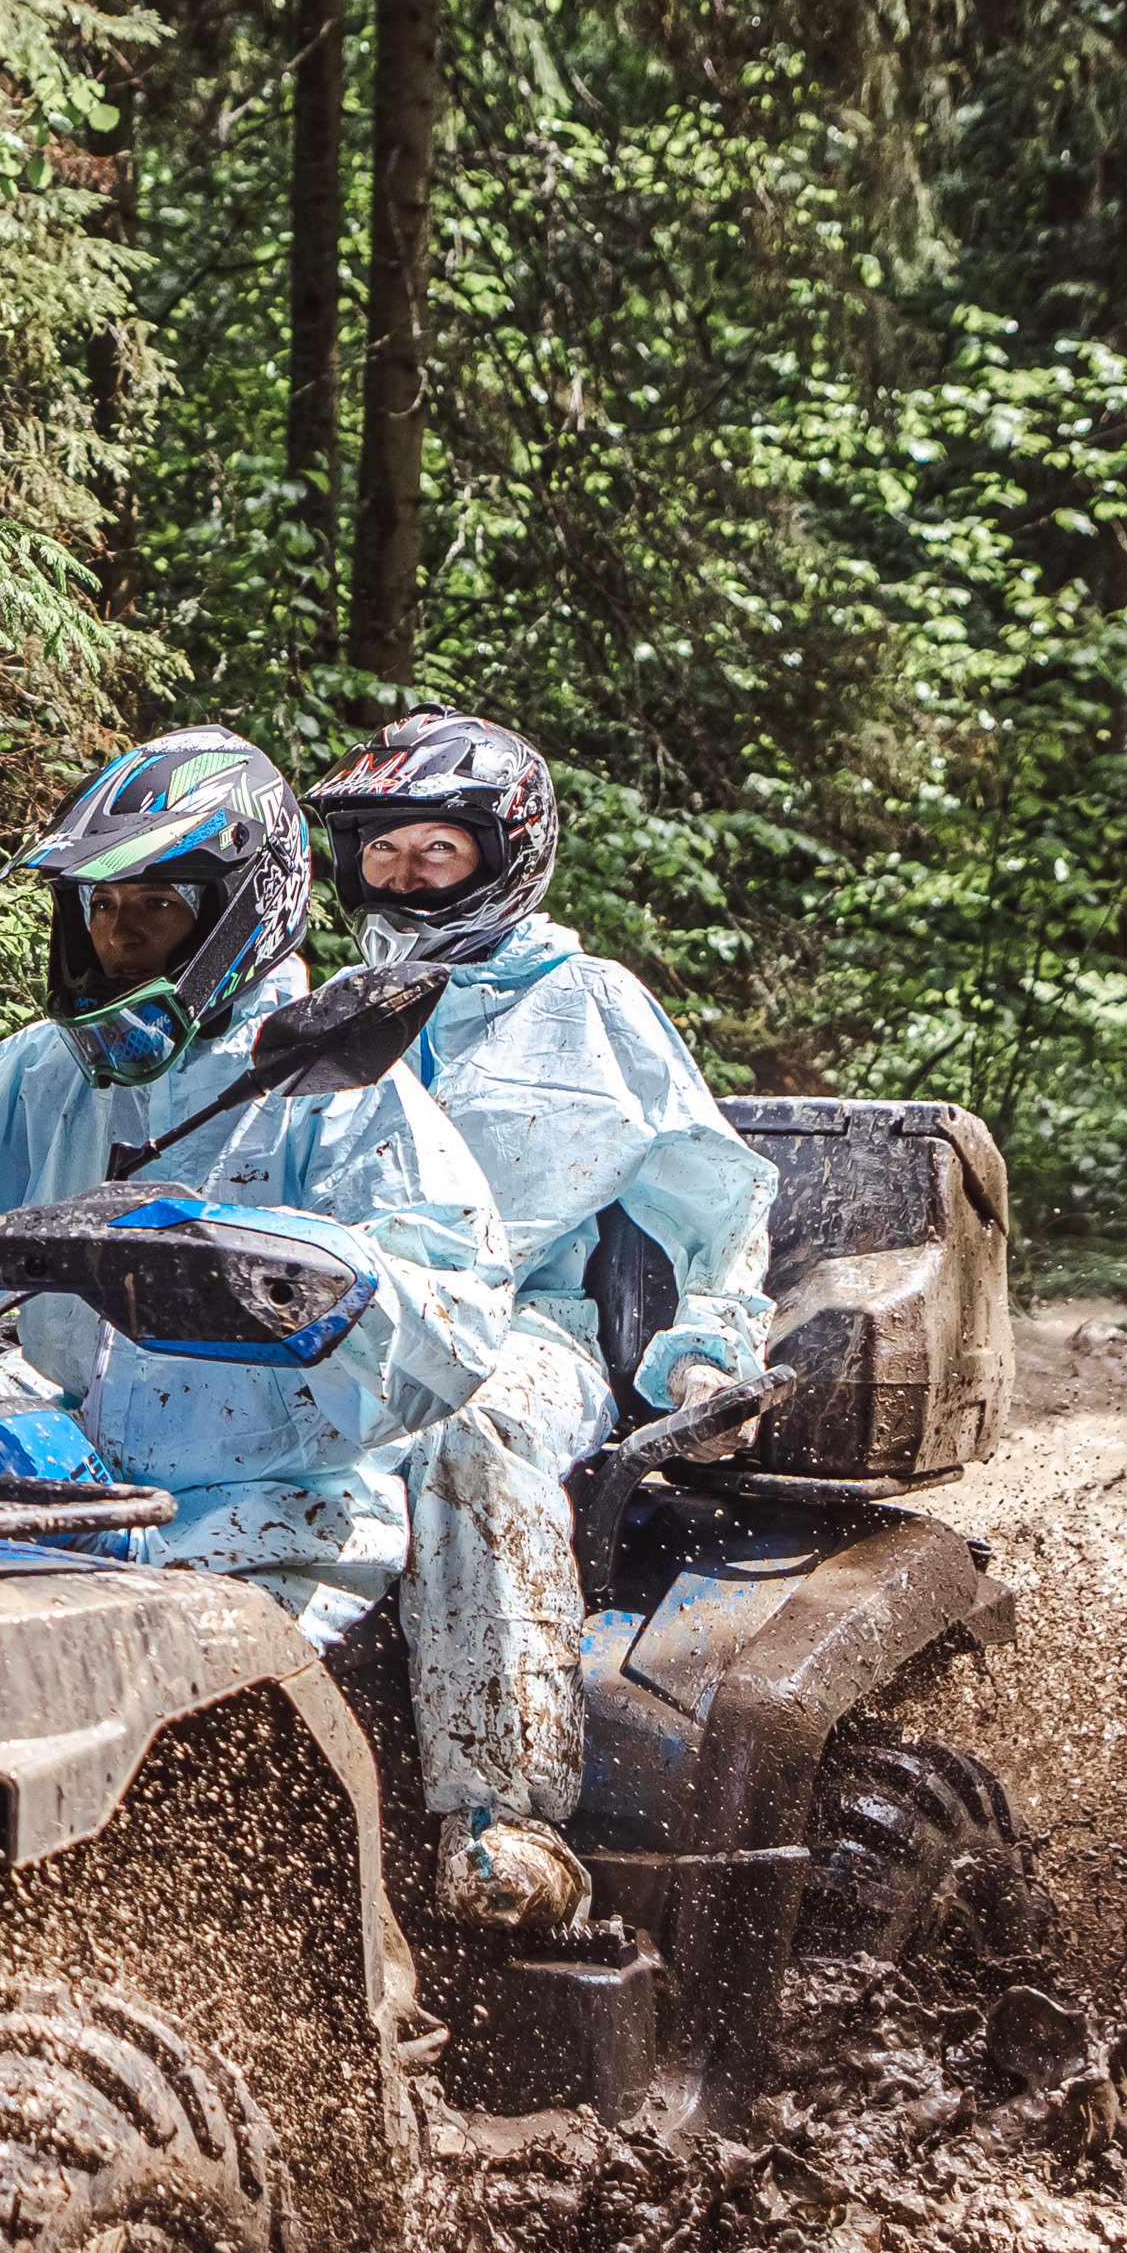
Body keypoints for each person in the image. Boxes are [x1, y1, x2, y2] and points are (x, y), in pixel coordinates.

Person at [0, 728, 512, 1643]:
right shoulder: (55, 1072)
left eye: (158, 901)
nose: (119, 933)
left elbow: (459, 1309)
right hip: (68, 1479)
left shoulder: (330, 1079)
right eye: (102, 903)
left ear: (242, 905)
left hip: (270, 1530)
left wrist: (290, 1279)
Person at [302, 710, 776, 1928]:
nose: (402, 877)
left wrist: (707, 1354)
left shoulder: (588, 1001)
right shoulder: (330, 1001)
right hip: (336, 1327)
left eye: (434, 852)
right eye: (381, 853)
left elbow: (714, 1198)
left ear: (501, 852)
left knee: (468, 1432)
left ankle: (498, 1816)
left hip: (526, 1335)